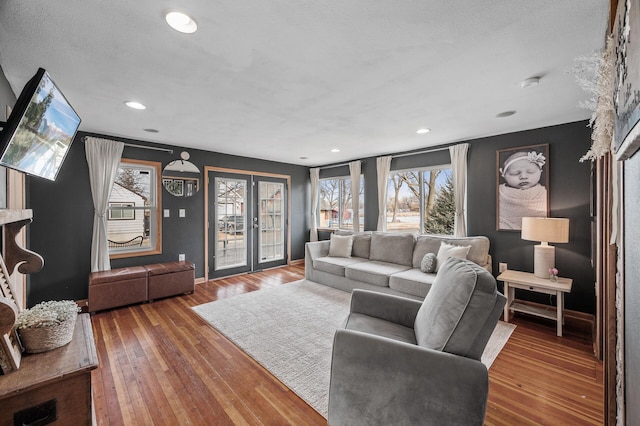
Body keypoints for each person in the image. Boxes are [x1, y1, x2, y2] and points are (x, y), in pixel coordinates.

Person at [498, 150, 547, 230]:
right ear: (503, 174)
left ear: (540, 171)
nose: (523, 176)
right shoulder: (498, 193)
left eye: (530, 172)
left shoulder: (544, 194)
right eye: (515, 173)